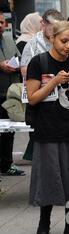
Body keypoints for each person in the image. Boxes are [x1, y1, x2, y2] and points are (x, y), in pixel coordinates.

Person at [26, 21, 69, 234]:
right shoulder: (38, 62)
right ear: (52, 38)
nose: (68, 46)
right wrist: (54, 82)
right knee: (49, 178)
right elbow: (32, 98)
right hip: (48, 129)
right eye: (64, 41)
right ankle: (44, 224)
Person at [0, 12, 24, 176]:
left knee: (9, 131)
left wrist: (16, 65)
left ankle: (7, 165)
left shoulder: (8, 39)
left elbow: (20, 59)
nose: (0, 25)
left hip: (9, 94)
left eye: (2, 22)